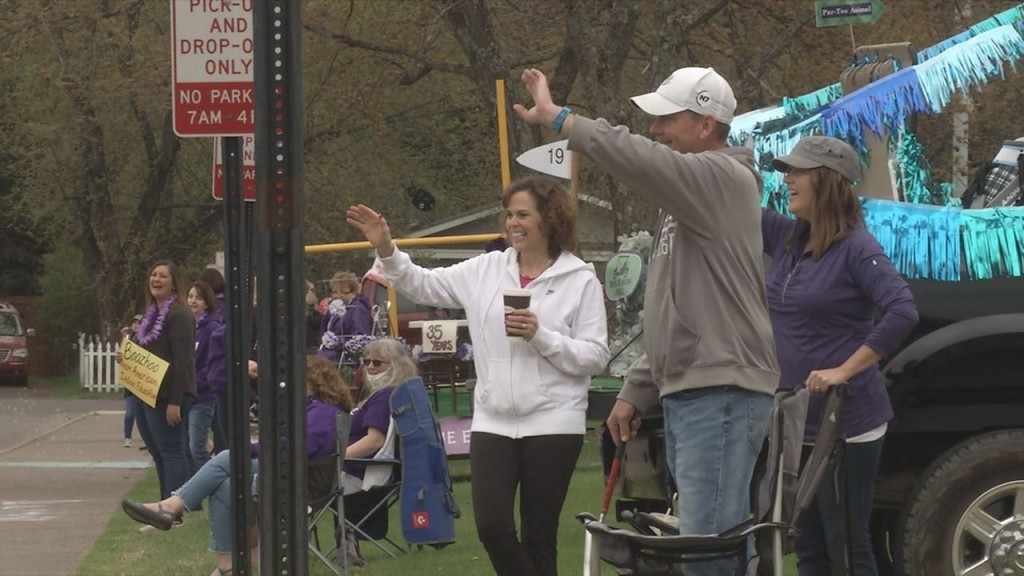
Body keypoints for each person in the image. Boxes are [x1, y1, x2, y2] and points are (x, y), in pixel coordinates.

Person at [514, 68, 780, 574]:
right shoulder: (686, 203)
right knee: (711, 546)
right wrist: (638, 387)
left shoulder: (724, 178)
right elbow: (668, 303)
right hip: (697, 389)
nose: (655, 130)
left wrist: (560, 119)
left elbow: (641, 157)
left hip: (719, 388)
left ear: (706, 124)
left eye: (666, 118)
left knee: (709, 550)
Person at [347, 175, 610, 576]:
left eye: (523, 214)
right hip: (493, 420)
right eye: (509, 215)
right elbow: (424, 284)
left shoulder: (579, 280)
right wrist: (386, 246)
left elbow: (595, 357)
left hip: (555, 423)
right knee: (492, 528)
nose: (513, 223)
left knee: (540, 536)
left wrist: (542, 337)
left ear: (549, 219)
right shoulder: (487, 268)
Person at [762, 136, 918, 574]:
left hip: (847, 425)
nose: (787, 179)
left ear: (828, 182)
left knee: (846, 547)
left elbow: (903, 310)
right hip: (799, 426)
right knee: (808, 549)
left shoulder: (857, 248)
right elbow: (727, 203)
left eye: (798, 171)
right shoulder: (788, 236)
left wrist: (843, 370)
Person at [121, 354, 354, 576]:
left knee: (227, 458)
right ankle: (226, 565)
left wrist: (251, 450)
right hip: (292, 474)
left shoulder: (322, 412)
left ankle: (172, 507)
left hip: (302, 483)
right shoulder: (311, 408)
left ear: (315, 381)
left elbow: (296, 447)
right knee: (225, 486)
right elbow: (276, 413)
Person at [338, 337, 419, 567]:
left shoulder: (385, 395)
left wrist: (333, 457)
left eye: (378, 362)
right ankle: (346, 538)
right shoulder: (384, 393)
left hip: (358, 472)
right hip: (355, 468)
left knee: (280, 483)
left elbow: (374, 441)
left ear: (395, 365)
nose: (370, 367)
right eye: (367, 361)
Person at [131, 261, 197, 505]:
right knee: (158, 453)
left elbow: (183, 361)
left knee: (171, 451)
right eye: (153, 275)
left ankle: (175, 510)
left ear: (174, 284)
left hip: (169, 395)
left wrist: (175, 402)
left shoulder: (179, 314)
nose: (156, 279)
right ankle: (163, 506)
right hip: (145, 392)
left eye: (163, 276)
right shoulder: (151, 313)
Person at [186, 280, 224, 470]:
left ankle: (215, 486)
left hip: (203, 397)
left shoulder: (212, 328)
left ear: (207, 303)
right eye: (191, 296)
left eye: (198, 298)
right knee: (187, 447)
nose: (193, 301)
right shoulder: (189, 326)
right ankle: (191, 495)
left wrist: (194, 382)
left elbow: (211, 363)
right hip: (186, 396)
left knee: (197, 448)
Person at [317, 271, 373, 365]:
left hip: (346, 359)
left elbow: (361, 340)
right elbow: (323, 330)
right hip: (332, 355)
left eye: (343, 292)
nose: (338, 296)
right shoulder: (334, 307)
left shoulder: (357, 310)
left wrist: (338, 343)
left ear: (354, 292)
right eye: (334, 292)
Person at [120, 314, 143, 448]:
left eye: (139, 323)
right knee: (129, 413)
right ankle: (127, 437)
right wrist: (124, 337)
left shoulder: (146, 339)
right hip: (131, 383)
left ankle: (146, 438)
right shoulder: (129, 339)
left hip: (142, 382)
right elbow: (124, 353)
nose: (136, 325)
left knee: (141, 415)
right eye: (134, 323)